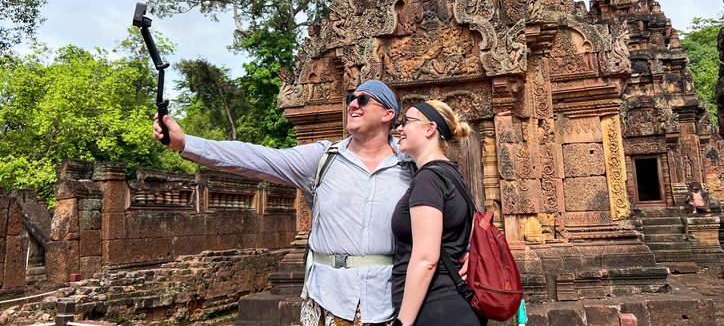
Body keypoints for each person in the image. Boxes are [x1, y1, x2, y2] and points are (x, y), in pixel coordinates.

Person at [153, 80, 409, 326]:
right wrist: (186, 142)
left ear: (388, 114)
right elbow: (258, 158)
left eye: (363, 99)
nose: (353, 104)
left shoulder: (412, 165)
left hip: (388, 300)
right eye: (350, 99)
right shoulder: (323, 158)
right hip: (327, 300)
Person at [390, 100, 481, 326]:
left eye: (405, 122)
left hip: (436, 309)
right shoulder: (453, 173)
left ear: (430, 128)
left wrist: (403, 322)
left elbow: (426, 259)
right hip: (454, 305)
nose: (398, 129)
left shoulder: (428, 179)